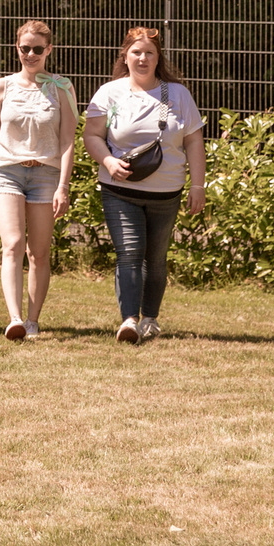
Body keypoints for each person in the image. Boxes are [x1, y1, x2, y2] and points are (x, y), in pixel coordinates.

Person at [84, 26, 205, 344]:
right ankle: (129, 320)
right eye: (136, 52)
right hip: (119, 190)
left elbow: (193, 141)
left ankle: (151, 317)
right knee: (129, 253)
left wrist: (198, 186)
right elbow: (92, 136)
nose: (142, 58)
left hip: (167, 192)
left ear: (158, 58)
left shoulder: (178, 94)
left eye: (149, 52)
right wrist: (108, 161)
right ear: (125, 55)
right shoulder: (109, 93)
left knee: (156, 257)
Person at [0, 20, 79, 340]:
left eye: (37, 49)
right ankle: (15, 318)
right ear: (16, 48)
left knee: (38, 252)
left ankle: (33, 321)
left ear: (49, 50)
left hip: (46, 174)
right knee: (13, 244)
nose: (31, 54)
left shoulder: (62, 87)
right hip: (6, 170)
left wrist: (63, 186)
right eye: (25, 48)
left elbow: (67, 141)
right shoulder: (1, 87)